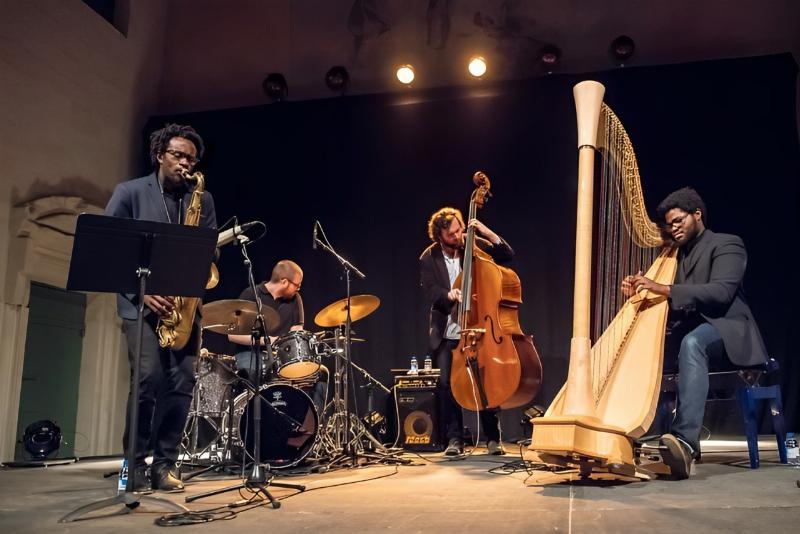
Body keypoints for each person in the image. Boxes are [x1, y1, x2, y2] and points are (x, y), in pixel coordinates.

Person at [621, 187, 767, 479]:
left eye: (678, 221)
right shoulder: (674, 258)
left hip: (729, 331)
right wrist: (638, 292)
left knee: (692, 343)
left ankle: (685, 441)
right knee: (643, 349)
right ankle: (626, 433)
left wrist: (663, 288)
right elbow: (676, 302)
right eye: (668, 224)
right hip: (693, 332)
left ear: (697, 215)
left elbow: (720, 293)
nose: (672, 228)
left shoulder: (727, 244)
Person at [105, 123, 217, 492]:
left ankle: (164, 465)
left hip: (184, 308)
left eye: (191, 158)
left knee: (182, 384)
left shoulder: (202, 199)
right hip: (141, 304)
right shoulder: (130, 192)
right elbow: (108, 248)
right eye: (178, 155)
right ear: (159, 155)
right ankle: (133, 465)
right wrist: (142, 291)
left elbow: (210, 250)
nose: (185, 163)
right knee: (147, 380)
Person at [419, 207, 514, 456]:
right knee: (448, 385)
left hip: (480, 326)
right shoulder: (429, 257)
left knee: (486, 381)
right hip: (448, 330)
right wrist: (448, 294)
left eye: (461, 229)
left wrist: (486, 232)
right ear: (439, 235)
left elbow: (506, 255)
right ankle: (455, 440)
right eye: (453, 234)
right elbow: (430, 291)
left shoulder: (472, 244)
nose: (459, 236)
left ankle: (493, 438)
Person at [229, 260, 328, 416]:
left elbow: (296, 332)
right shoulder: (251, 294)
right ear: (284, 282)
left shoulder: (296, 299)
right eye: (297, 285)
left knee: (320, 375)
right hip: (251, 354)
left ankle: (307, 428)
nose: (298, 289)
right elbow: (232, 335)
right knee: (252, 372)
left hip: (280, 357)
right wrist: (266, 341)